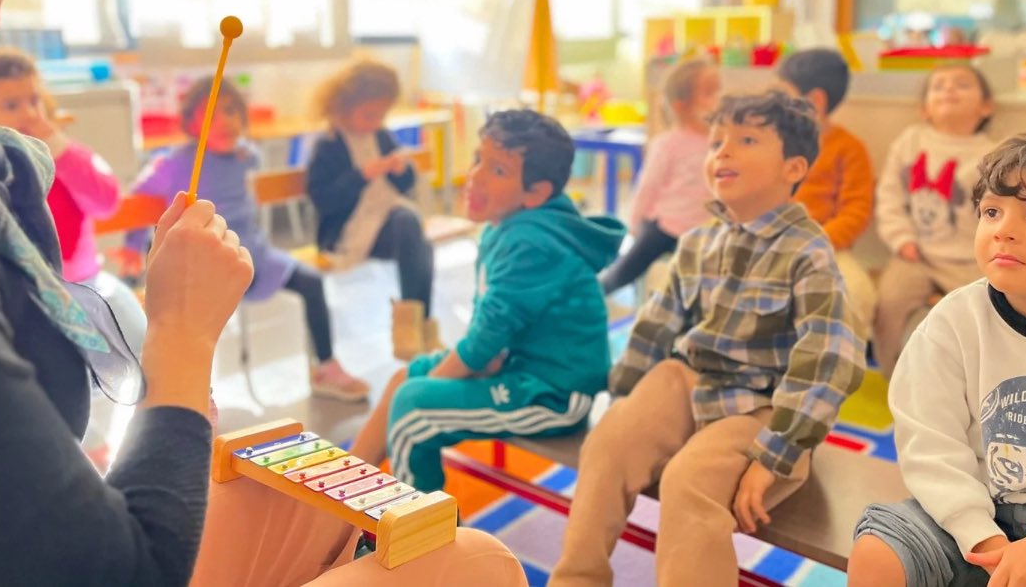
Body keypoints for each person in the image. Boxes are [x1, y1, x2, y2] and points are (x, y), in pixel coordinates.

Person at [0, 0, 255, 585]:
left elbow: (105, 196)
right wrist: (183, 334)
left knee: (246, 445)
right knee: (467, 557)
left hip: (96, 295)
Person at [548, 92, 866, 587]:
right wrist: (625, 401)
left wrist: (775, 457)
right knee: (609, 442)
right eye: (717, 142)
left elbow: (830, 362)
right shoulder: (698, 242)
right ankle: (577, 578)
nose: (723, 152)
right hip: (693, 382)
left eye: (746, 140)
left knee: (688, 480)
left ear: (793, 167)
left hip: (767, 407)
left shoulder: (808, 250)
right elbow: (656, 326)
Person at [848, 130, 1026, 587]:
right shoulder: (954, 321)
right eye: (991, 211)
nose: (1003, 229)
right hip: (975, 513)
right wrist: (983, 538)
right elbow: (929, 443)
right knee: (878, 551)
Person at [351, 109, 625, 493]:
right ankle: (341, 496)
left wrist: (442, 377)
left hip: (554, 393)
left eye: (498, 171)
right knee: (402, 379)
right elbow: (491, 340)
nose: (475, 175)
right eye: (479, 159)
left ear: (536, 193)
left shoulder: (529, 242)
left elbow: (483, 344)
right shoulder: (510, 227)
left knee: (413, 405)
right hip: (516, 369)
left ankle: (422, 543)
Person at [123, 76, 368, 401]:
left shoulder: (244, 156)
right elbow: (138, 200)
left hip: (256, 256)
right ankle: (192, 393)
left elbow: (248, 155)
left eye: (231, 111)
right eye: (211, 114)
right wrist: (130, 248)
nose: (225, 121)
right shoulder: (173, 164)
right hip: (204, 266)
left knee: (311, 281)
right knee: (196, 324)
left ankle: (325, 367)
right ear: (191, 123)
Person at [0, 47, 147, 356]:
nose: (30, 114)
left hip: (86, 287)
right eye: (12, 105)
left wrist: (60, 149)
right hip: (23, 301)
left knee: (138, 346)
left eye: (34, 100)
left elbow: (107, 202)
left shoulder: (65, 157)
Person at [306, 59, 438, 360]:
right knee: (411, 229)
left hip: (387, 224)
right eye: (368, 115)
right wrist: (361, 175)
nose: (375, 123)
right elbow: (324, 200)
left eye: (380, 116)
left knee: (415, 233)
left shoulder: (380, 136)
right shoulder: (328, 145)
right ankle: (417, 329)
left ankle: (416, 329)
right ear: (342, 107)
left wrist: (401, 168)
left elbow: (402, 185)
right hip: (347, 231)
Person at [873, 64, 994, 376]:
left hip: (970, 260)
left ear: (985, 106)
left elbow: (999, 213)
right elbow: (889, 198)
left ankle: (972, 381)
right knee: (889, 303)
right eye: (938, 86)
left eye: (962, 84)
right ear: (925, 108)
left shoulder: (994, 153)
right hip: (915, 254)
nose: (949, 89)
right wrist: (902, 240)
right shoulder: (910, 141)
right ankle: (894, 376)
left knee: (983, 317)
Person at [775, 48, 877, 334]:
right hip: (771, 242)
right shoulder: (770, 141)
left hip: (826, 246)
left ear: (815, 101)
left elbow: (856, 211)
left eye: (783, 94)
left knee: (858, 293)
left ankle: (837, 371)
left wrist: (816, 242)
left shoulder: (850, 149)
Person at [599, 57, 720, 294]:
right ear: (680, 105)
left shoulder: (720, 142)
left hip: (705, 231)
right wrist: (634, 224)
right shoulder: (667, 144)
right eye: (709, 92)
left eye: (719, 90)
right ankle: (594, 293)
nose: (719, 98)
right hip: (665, 226)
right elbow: (648, 186)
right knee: (624, 271)